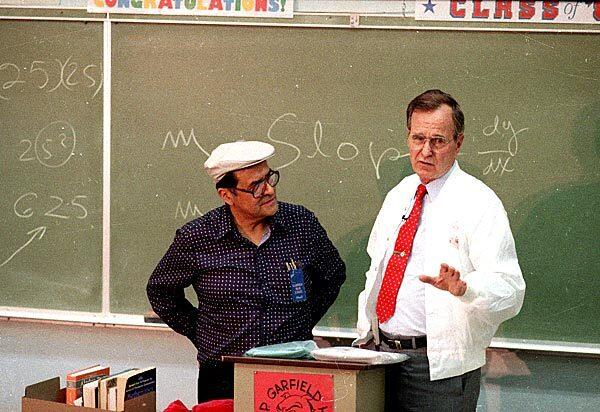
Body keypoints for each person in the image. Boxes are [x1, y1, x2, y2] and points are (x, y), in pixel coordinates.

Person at [355, 90, 526, 411]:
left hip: (437, 366)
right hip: (380, 357)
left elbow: (511, 289)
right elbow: (375, 267)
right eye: (418, 138)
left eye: (438, 141)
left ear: (458, 142)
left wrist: (466, 288)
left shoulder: (479, 202)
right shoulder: (400, 194)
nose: (425, 151)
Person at [147, 140, 345, 402]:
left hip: (293, 370)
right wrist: (202, 332)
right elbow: (161, 290)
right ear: (227, 195)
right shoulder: (197, 237)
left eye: (269, 178)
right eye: (255, 186)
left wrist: (300, 321)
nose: (269, 190)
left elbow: (332, 276)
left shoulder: (301, 224)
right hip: (223, 373)